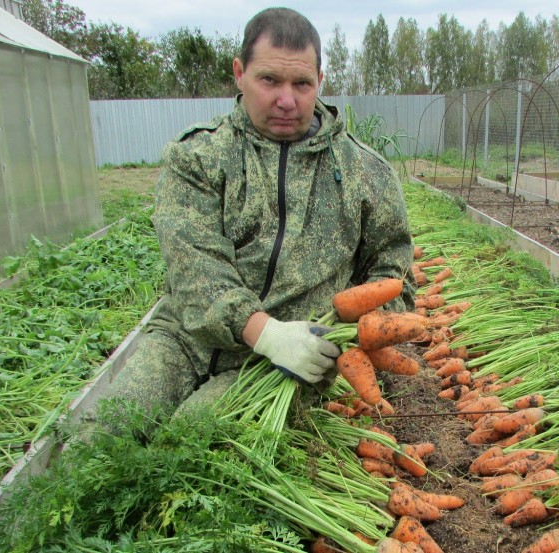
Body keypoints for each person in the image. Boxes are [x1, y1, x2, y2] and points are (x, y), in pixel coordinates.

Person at [104, 7, 415, 423]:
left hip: (286, 364)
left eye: (302, 83)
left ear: (320, 81)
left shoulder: (366, 171)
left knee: (197, 437)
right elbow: (194, 265)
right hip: (185, 338)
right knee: (108, 428)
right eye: (269, 80)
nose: (286, 100)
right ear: (239, 73)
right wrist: (264, 332)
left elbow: (395, 277)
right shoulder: (199, 155)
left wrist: (341, 340)